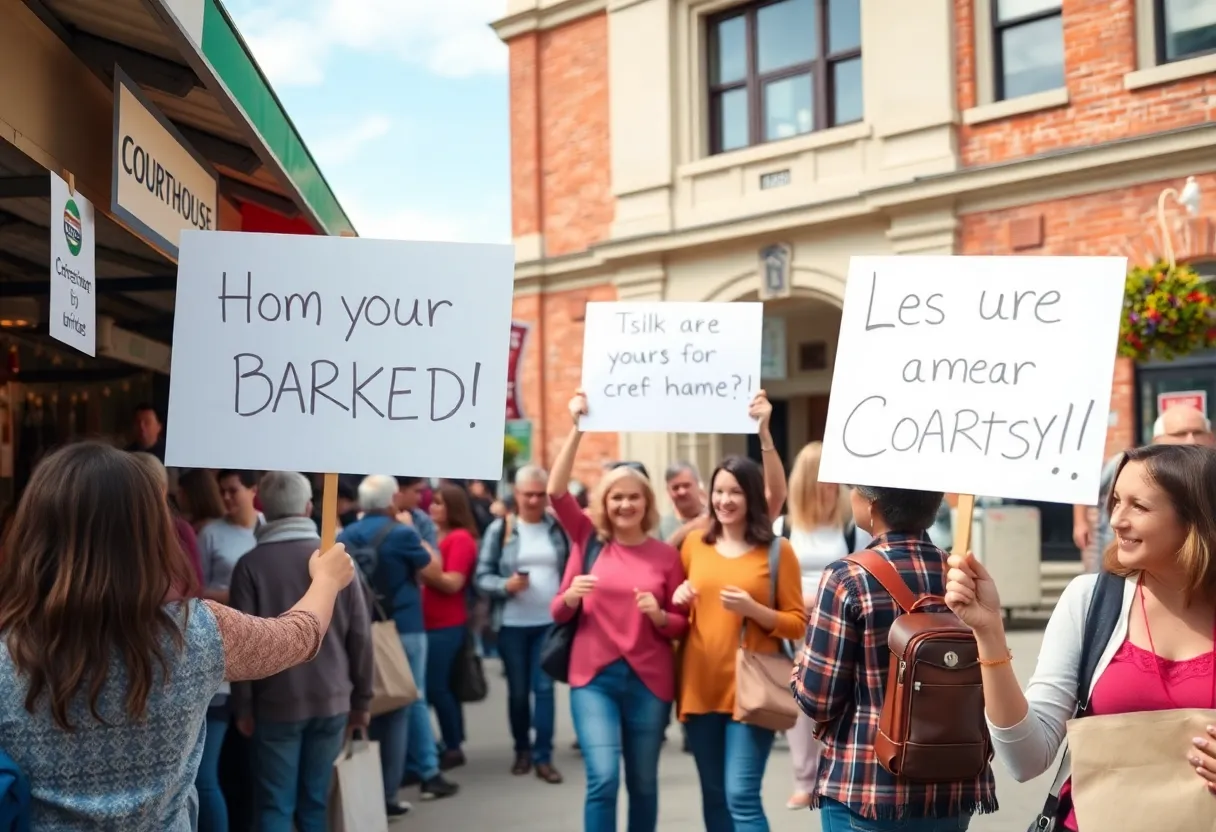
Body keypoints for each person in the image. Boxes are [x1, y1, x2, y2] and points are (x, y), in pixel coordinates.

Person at [0, 442, 355, 829]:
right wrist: (326, 581)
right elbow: (297, 636)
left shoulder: (7, 650)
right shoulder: (196, 633)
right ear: (149, 532)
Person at [946, 443, 1216, 831]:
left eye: (1138, 506)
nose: (1117, 520)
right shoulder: (1090, 599)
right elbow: (1026, 759)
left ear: (1195, 519)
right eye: (1116, 501)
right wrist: (988, 632)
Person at [793, 484, 997, 829]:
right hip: (954, 780)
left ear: (872, 505)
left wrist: (799, 670)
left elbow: (819, 700)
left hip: (870, 786)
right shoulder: (964, 577)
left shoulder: (846, 578)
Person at [549, 391, 689, 832]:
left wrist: (659, 616)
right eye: (616, 498)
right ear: (604, 504)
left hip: (650, 679)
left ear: (647, 504)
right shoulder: (586, 537)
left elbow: (681, 624)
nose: (625, 505)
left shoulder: (666, 555)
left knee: (644, 783)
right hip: (593, 678)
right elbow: (555, 492)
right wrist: (578, 427)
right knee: (603, 779)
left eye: (634, 497)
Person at [229, 471, 374, 832]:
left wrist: (243, 705)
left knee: (276, 806)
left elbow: (240, 645)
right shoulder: (339, 562)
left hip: (275, 702)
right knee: (314, 804)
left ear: (262, 506)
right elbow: (360, 635)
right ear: (308, 507)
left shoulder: (250, 565)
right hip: (333, 698)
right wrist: (363, 701)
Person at [673, 447, 805, 832]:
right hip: (700, 687)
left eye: (735, 492)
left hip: (752, 692)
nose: (724, 501)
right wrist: (677, 598)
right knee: (714, 797)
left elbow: (797, 624)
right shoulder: (694, 545)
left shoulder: (779, 551)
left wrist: (755, 610)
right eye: (718, 492)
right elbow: (678, 612)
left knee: (741, 796)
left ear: (751, 496)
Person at [338, 475, 457, 812]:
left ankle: (372, 787)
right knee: (407, 700)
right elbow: (434, 567)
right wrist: (417, 535)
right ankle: (415, 777)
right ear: (392, 500)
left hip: (359, 629)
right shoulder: (404, 533)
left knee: (368, 705)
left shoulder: (345, 535)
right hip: (403, 626)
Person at [773, 441, 868, 810]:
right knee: (798, 699)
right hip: (796, 623)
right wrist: (801, 604)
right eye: (823, 481)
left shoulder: (850, 526)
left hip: (840, 622)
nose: (831, 488)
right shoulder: (783, 526)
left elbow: (862, 571)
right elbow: (773, 578)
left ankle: (834, 772)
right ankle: (803, 777)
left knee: (841, 697)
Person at [475, 465, 570, 783]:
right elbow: (481, 576)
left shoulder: (556, 528)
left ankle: (544, 756)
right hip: (512, 624)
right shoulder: (499, 529)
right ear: (515, 494)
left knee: (544, 690)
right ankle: (522, 750)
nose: (533, 500)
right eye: (527, 494)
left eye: (540, 494)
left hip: (548, 622)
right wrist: (505, 585)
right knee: (518, 692)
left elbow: (571, 565)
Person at [422, 483, 481, 770]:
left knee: (437, 687)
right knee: (440, 686)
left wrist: (422, 563)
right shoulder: (432, 534)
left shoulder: (460, 539)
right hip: (426, 622)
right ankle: (451, 739)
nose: (433, 507)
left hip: (446, 623)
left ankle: (453, 745)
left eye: (439, 503)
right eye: (432, 502)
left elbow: (453, 582)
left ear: (453, 508)